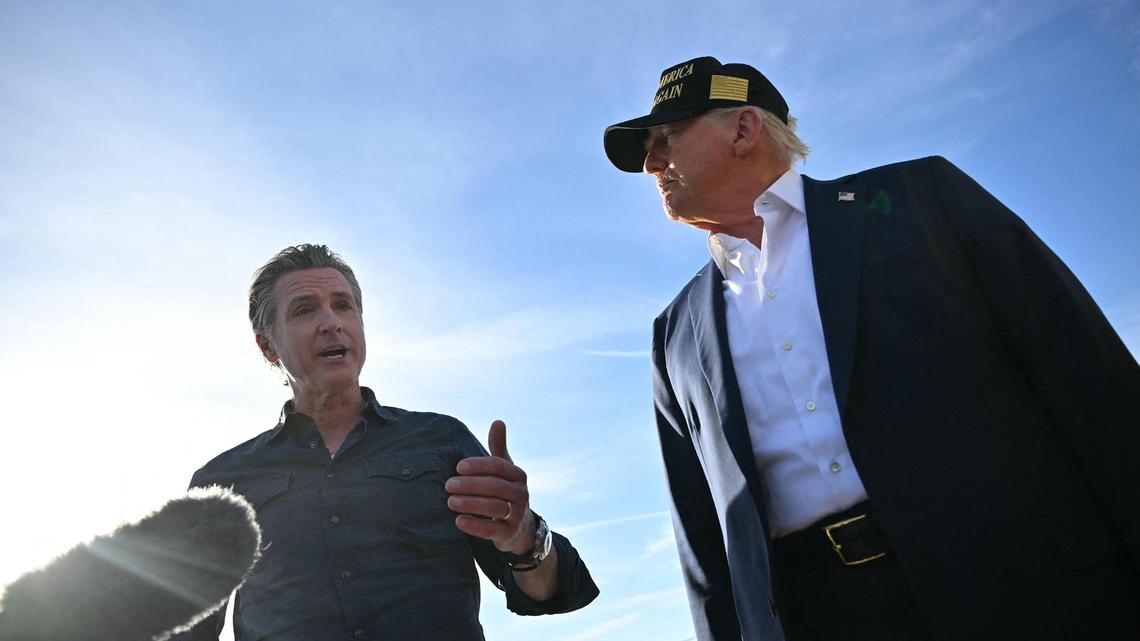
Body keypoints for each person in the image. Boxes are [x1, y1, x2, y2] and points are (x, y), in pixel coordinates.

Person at [603, 56, 1140, 641]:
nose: (652, 163)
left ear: (742, 129)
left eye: (667, 137)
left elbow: (1094, 388)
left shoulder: (921, 199)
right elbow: (705, 541)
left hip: (1025, 588)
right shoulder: (674, 334)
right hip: (820, 618)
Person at [173, 244, 597, 641]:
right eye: (304, 310)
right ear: (268, 346)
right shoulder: (222, 480)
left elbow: (551, 592)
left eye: (344, 305)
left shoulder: (440, 440)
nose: (331, 322)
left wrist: (524, 536)